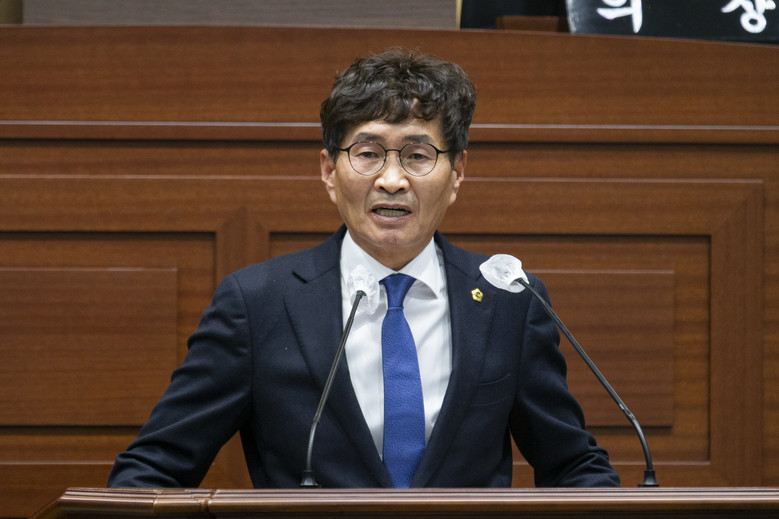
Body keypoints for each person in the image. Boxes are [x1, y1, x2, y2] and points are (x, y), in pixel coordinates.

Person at [108, 48, 620, 489]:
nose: (392, 180)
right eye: (368, 153)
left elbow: (573, 466)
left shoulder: (509, 300)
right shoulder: (258, 303)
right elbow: (150, 471)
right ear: (329, 171)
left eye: (418, 155)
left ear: (458, 172)